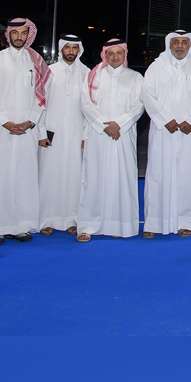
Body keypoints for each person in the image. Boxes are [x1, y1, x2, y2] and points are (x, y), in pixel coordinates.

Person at [0, 18, 51, 245]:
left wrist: (30, 122)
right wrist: (5, 122)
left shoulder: (36, 62)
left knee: (24, 178)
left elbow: (41, 97)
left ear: (28, 34)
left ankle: (21, 225)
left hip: (26, 130)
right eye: (15, 33)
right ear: (9, 34)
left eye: (23, 33)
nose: (19, 37)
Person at [141, 31, 191, 238]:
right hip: (163, 131)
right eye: (176, 42)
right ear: (169, 45)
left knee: (188, 175)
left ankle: (186, 222)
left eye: (184, 42)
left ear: (190, 45)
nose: (180, 46)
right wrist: (166, 120)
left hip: (190, 131)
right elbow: (148, 96)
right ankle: (154, 223)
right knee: (158, 175)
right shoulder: (156, 68)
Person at [77, 38, 145, 241]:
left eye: (119, 53)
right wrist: (104, 125)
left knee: (122, 178)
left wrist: (120, 124)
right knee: (94, 178)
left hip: (123, 135)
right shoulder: (93, 76)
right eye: (111, 53)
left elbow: (139, 105)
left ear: (125, 54)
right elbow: (85, 103)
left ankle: (119, 225)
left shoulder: (135, 77)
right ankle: (89, 225)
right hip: (98, 134)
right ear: (104, 55)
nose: (115, 57)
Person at [36, 34, 89, 237]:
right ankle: (46, 219)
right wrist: (41, 131)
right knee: (48, 176)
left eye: (74, 48)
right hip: (52, 132)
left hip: (77, 133)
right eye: (67, 48)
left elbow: (90, 106)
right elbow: (40, 103)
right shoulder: (49, 71)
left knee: (74, 176)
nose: (70, 52)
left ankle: (72, 219)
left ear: (79, 50)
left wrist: (86, 135)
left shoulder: (86, 73)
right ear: (61, 49)